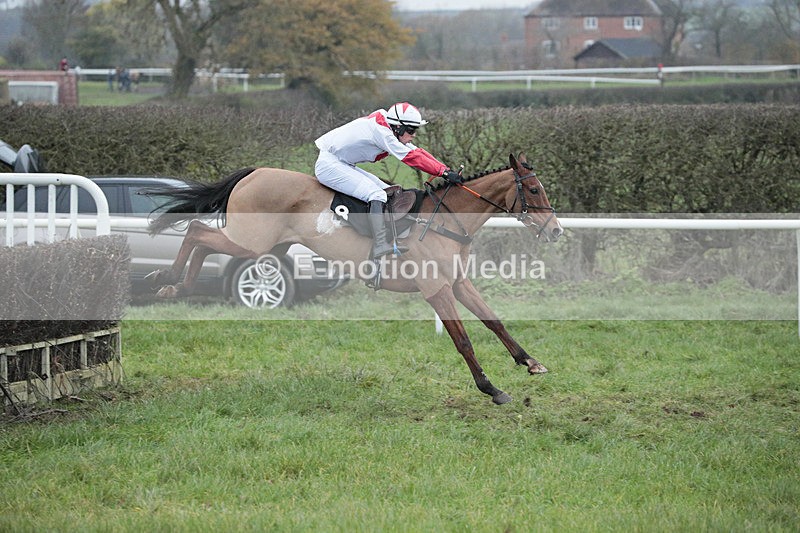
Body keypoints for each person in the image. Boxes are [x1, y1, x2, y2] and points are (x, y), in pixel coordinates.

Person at [314, 102, 462, 258]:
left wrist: (445, 170)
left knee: (387, 191)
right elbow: (410, 157)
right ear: (398, 127)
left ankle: (389, 237)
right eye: (411, 130)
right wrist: (443, 173)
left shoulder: (389, 126)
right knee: (377, 195)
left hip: (341, 162)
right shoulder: (383, 133)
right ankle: (379, 244)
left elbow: (417, 151)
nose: (414, 135)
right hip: (329, 165)